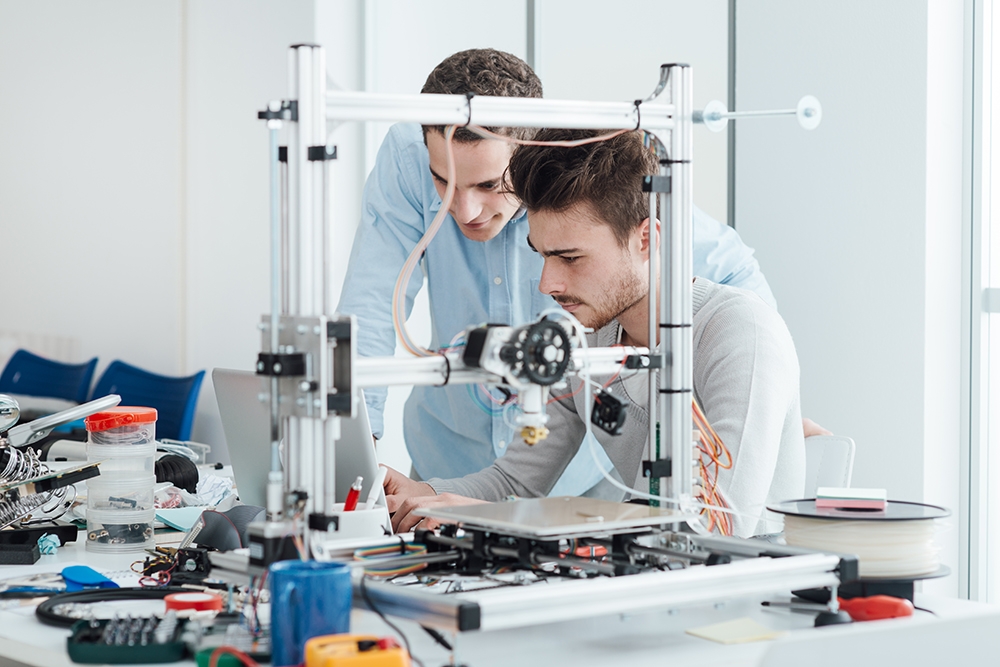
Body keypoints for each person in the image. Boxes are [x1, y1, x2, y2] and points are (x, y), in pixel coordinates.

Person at [337, 48, 777, 495]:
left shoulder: (581, 188)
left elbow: (734, 273)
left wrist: (758, 400)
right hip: (451, 461)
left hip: (583, 481)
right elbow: (370, 302)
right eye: (443, 182)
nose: (464, 210)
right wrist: (354, 451)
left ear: (530, 152)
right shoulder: (409, 155)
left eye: (489, 185)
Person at [384, 129, 805, 538]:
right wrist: (428, 495)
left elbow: (719, 523)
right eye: (543, 255)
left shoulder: (740, 333)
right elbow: (514, 481)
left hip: (742, 587)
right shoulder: (587, 343)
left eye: (569, 258)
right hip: (642, 580)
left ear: (647, 239)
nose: (547, 283)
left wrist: (520, 521)